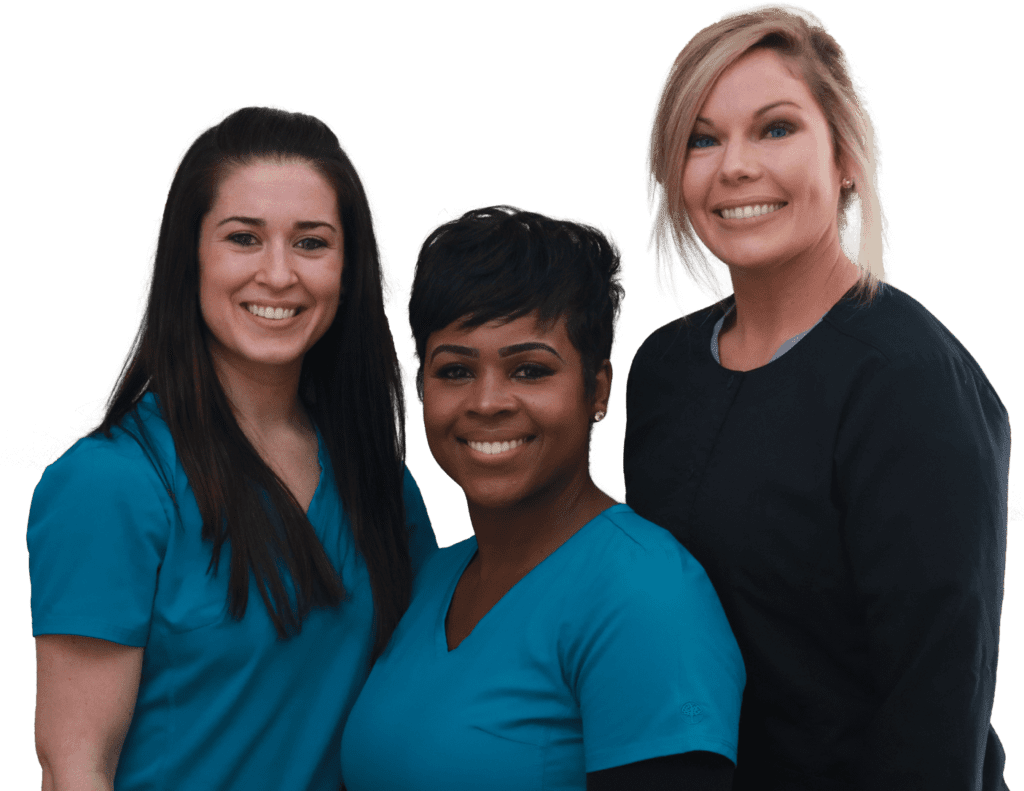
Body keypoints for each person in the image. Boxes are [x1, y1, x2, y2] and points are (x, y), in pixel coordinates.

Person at [625, 5, 1011, 789]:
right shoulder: (666, 369)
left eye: (775, 129)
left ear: (844, 158)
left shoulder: (910, 383)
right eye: (702, 138)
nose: (734, 165)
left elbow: (938, 710)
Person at [28, 106, 438, 791]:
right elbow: (75, 765)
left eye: (312, 243)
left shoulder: (379, 484)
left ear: (348, 267)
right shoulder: (109, 486)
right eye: (243, 238)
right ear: (191, 257)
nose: (278, 274)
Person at [340, 205, 745, 791]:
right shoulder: (431, 578)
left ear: (596, 389)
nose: (487, 401)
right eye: (454, 370)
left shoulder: (645, 595)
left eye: (529, 370)